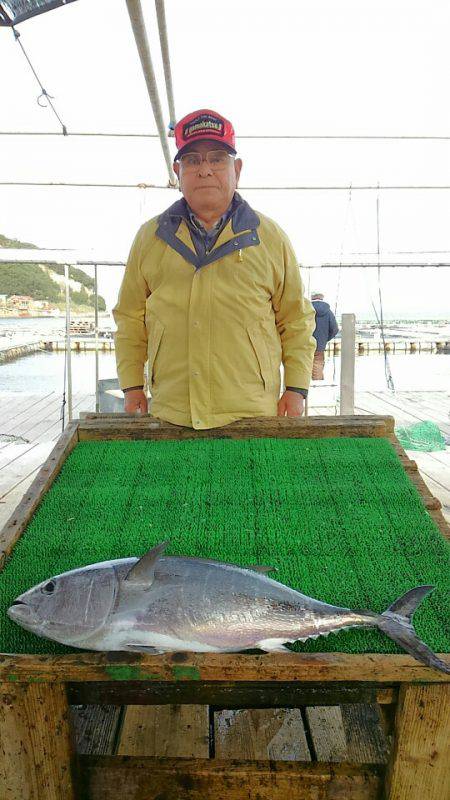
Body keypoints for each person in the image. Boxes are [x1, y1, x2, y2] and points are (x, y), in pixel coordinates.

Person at [113, 108, 316, 429]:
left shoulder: (270, 237)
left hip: (252, 410)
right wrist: (132, 386)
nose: (205, 170)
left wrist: (296, 387)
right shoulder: (149, 238)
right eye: (192, 160)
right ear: (177, 171)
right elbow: (129, 318)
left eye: (217, 158)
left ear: (237, 169)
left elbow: (296, 320)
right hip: (172, 410)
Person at [311, 293, 339, 380]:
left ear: (312, 297)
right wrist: (325, 339)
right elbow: (335, 329)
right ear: (322, 298)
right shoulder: (328, 312)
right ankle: (318, 387)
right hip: (320, 345)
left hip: (305, 344)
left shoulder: (306, 309)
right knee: (318, 365)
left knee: (303, 367)